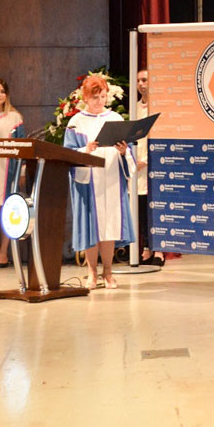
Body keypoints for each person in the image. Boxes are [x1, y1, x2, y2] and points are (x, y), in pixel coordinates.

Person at [65, 75, 137, 289]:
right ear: (85, 97)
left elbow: (129, 149)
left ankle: (108, 272)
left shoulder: (115, 118)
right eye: (95, 97)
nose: (100, 101)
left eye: (103, 96)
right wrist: (86, 150)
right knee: (92, 227)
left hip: (112, 179)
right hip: (89, 181)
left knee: (109, 226)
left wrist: (124, 152)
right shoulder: (76, 122)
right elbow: (68, 153)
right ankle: (91, 273)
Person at [133, 69, 163, 266]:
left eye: (144, 80)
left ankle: (159, 249)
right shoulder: (134, 108)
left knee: (157, 208)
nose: (141, 84)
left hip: (154, 164)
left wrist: (147, 159)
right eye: (138, 81)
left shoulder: (159, 107)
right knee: (142, 209)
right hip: (138, 166)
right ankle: (146, 249)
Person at [0, 78, 24, 268]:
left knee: (5, 210)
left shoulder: (15, 117)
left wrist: (21, 172)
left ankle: (3, 253)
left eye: (1, 91)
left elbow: (22, 147)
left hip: (7, 168)